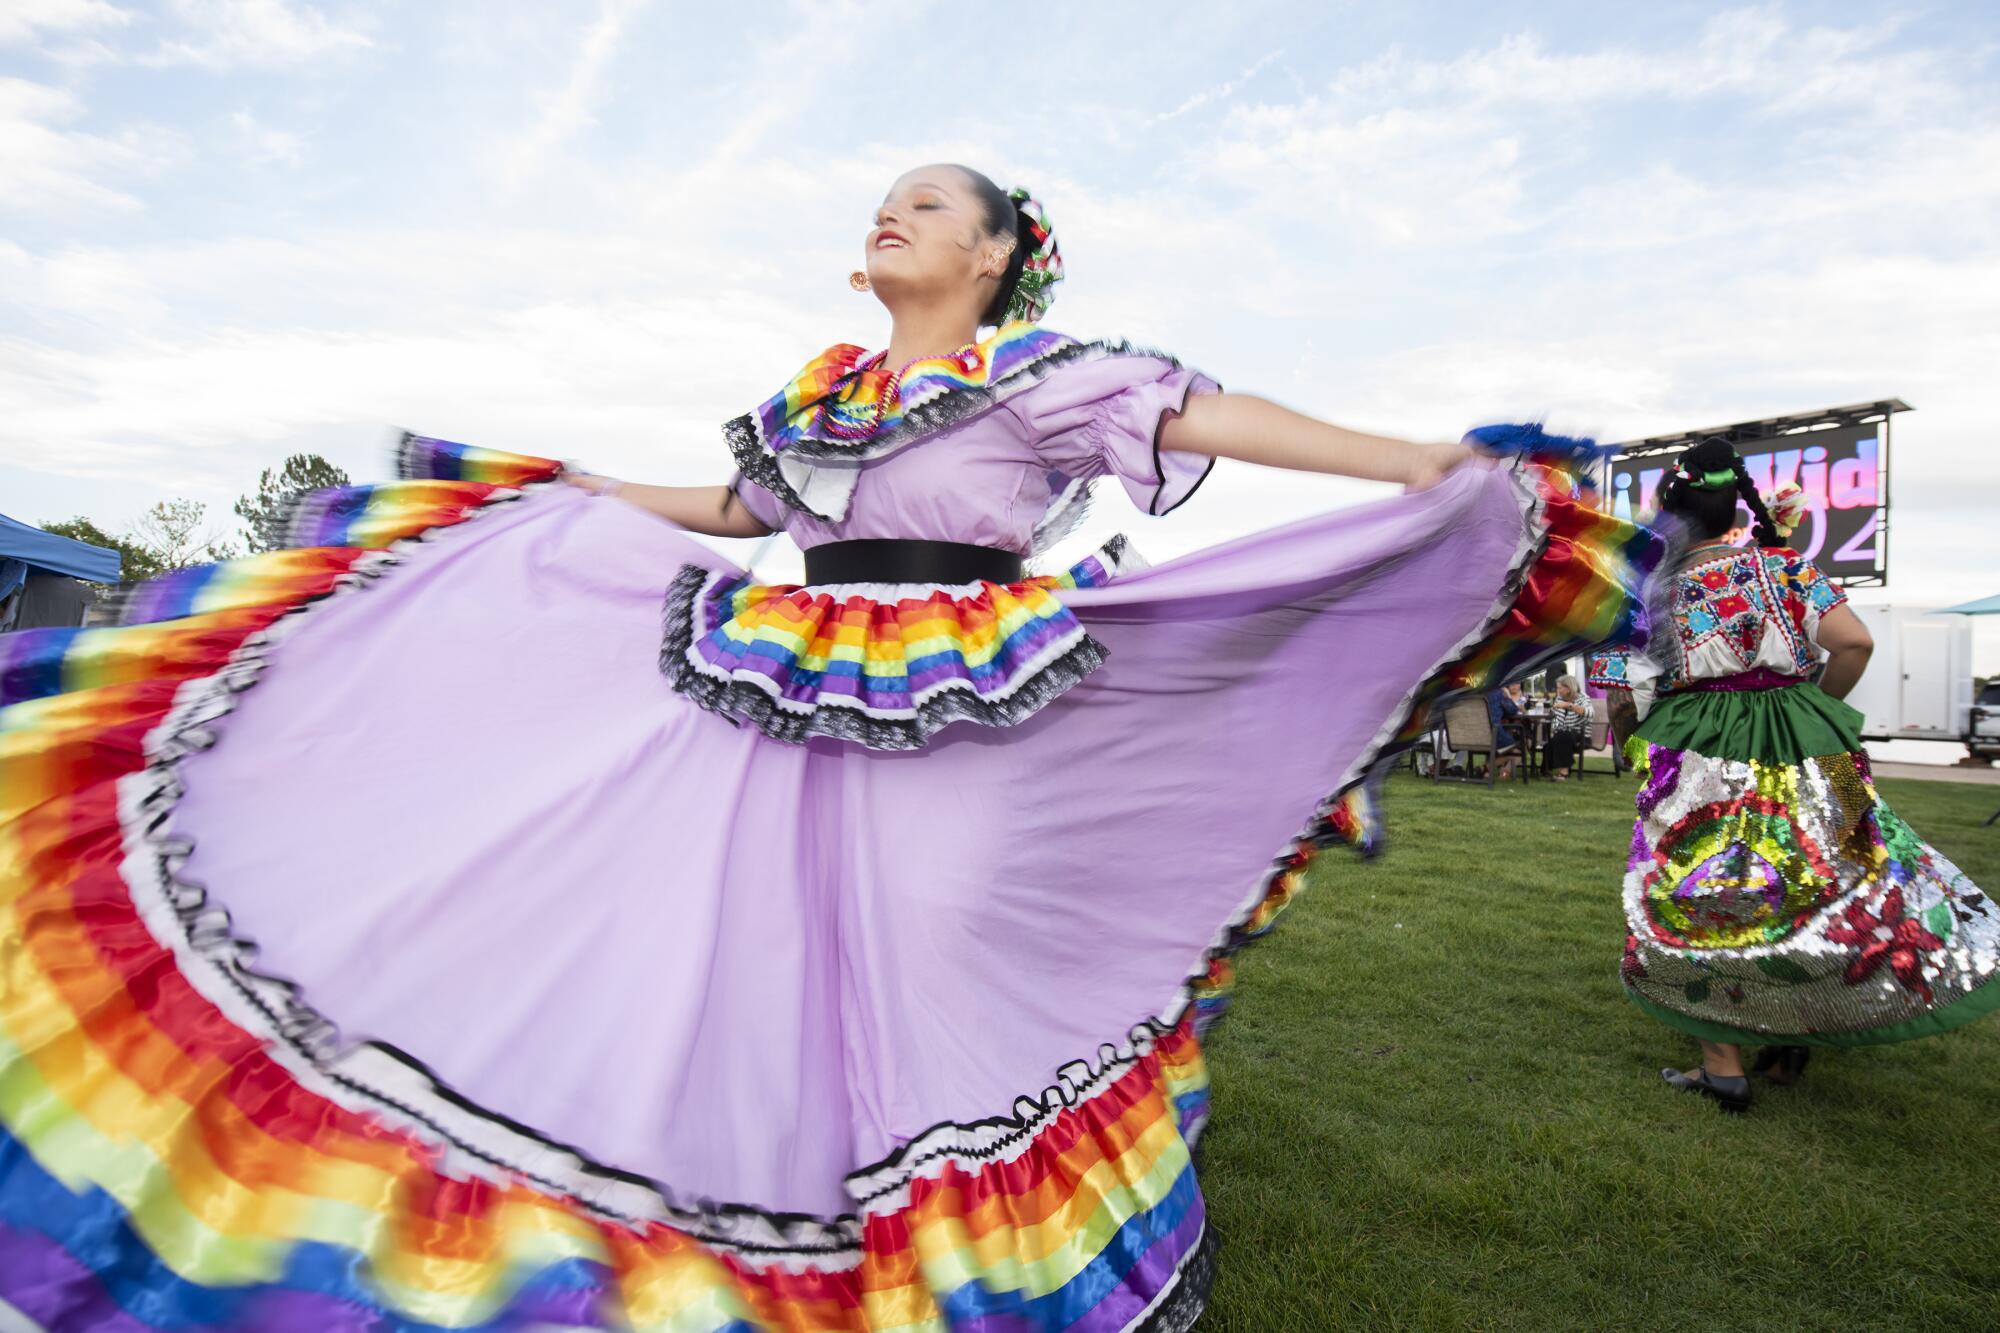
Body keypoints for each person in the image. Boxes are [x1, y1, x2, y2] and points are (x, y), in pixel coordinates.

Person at [0, 165, 1656, 1329]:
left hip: (979, 683)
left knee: (942, 954)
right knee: (734, 947)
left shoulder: (1061, 377)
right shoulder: (825, 394)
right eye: (886, 198)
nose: (892, 213)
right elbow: (740, 512)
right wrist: (557, 491)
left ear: (1001, 254)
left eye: (930, 201)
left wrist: (1425, 459)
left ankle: (955, 1230)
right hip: (793, 670)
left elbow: (1225, 425)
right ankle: (714, 1207)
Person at [1621, 437, 1996, 1115]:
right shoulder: (1790, 568)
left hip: (1704, 750)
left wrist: (1636, 733)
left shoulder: (1658, 591)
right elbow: (1855, 641)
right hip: (1819, 744)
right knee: (1845, 865)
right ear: (1732, 506)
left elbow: (1630, 688)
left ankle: (1722, 1066)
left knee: (1705, 888)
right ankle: (1802, 1022)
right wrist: (1816, 702)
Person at [1542, 673, 1590, 779]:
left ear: (1568, 688)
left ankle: (1564, 772)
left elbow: (1589, 712)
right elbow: (1554, 716)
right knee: (1551, 740)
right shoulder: (1559, 698)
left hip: (1581, 734)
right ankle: (1546, 770)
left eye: (1560, 688)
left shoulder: (1583, 698)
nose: (1558, 690)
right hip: (1562, 732)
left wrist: (1569, 706)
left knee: (1563, 735)